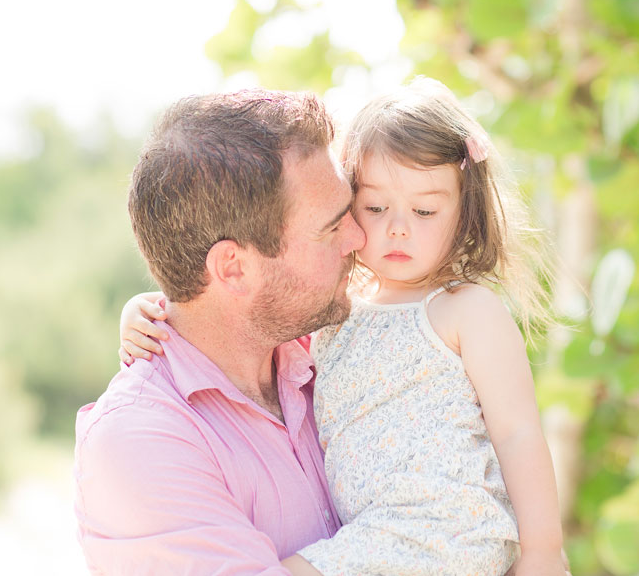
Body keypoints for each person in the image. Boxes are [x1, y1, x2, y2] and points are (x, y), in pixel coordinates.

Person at [120, 77, 568, 575]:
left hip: (438, 529)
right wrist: (153, 308)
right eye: (374, 208)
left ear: (463, 213)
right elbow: (237, 309)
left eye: (424, 211)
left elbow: (518, 433)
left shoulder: (465, 309)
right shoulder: (340, 308)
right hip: (374, 533)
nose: (398, 227)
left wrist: (545, 552)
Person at [73, 88, 367, 575]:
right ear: (232, 268)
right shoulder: (137, 441)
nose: (359, 238)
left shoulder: (336, 355)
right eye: (331, 228)